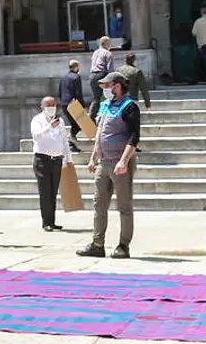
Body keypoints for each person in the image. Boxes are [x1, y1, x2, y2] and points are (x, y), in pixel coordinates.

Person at [77, 72, 141, 260]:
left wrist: (123, 160)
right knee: (99, 204)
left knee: (124, 205)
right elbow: (100, 135)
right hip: (103, 163)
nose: (104, 90)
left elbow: (134, 137)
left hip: (119, 163)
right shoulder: (105, 106)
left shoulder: (129, 106)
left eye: (107, 86)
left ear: (118, 86)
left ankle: (123, 245)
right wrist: (92, 158)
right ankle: (98, 244)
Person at [29, 97, 72, 232]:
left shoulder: (61, 122)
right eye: (48, 105)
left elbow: (64, 140)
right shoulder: (37, 120)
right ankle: (46, 222)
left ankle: (52, 221)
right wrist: (49, 127)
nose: (51, 107)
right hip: (42, 160)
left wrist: (68, 158)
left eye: (53, 104)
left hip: (57, 160)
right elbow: (36, 136)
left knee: (53, 192)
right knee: (45, 191)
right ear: (42, 107)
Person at [58, 59, 85, 151]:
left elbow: (60, 92)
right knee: (80, 124)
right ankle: (70, 140)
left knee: (74, 124)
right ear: (76, 67)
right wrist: (82, 105)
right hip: (73, 103)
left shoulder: (63, 77)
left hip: (64, 103)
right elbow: (78, 92)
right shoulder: (76, 77)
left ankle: (72, 144)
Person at [87, 36, 114, 121]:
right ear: (106, 43)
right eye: (109, 43)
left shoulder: (95, 52)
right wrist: (112, 80)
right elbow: (110, 69)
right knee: (111, 95)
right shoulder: (107, 53)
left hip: (92, 75)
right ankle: (111, 115)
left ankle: (91, 117)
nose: (110, 45)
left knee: (96, 98)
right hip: (102, 75)